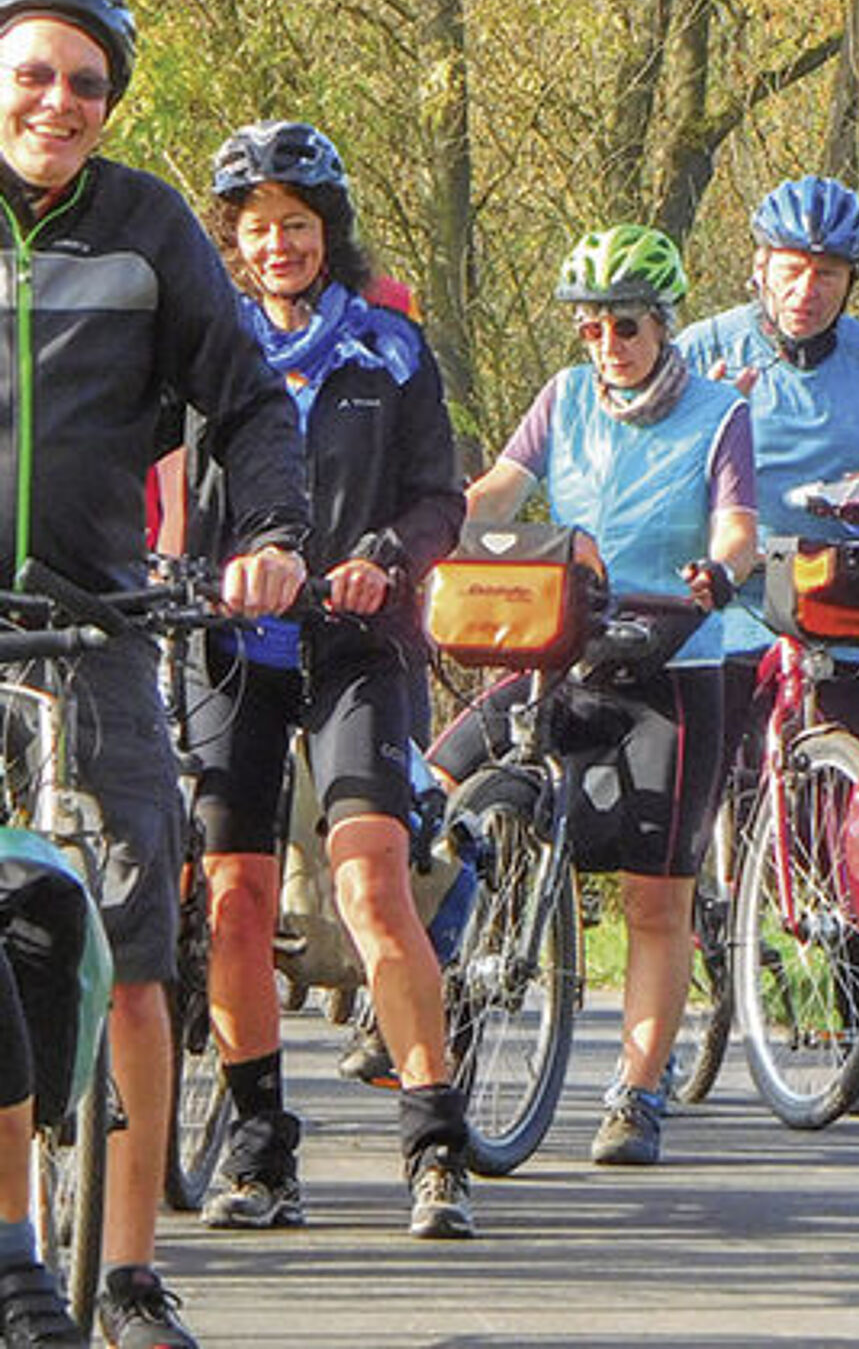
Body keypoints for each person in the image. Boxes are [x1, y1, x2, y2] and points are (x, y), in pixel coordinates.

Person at [0, 0, 310, 1349]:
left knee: (135, 955)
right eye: (33, 72)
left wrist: (277, 536)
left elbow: (246, 405)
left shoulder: (151, 229)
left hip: (104, 630)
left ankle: (126, 1270)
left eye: (84, 82)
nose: (57, 101)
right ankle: (13, 1254)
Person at [187, 119, 474, 1239]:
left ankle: (432, 1142)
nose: (275, 246)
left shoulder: (390, 347)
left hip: (358, 648)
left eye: (295, 226)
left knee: (368, 884)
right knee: (235, 903)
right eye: (255, 228)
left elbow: (437, 494)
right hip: (233, 650)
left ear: (328, 231)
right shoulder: (207, 346)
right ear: (234, 239)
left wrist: (382, 561)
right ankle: (259, 1150)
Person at [450, 223, 757, 1165]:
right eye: (589, 328)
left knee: (652, 898)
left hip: (673, 661)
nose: (607, 346)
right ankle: (426, 984)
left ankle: (635, 1091)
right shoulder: (563, 398)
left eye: (624, 325)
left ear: (662, 324)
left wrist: (717, 570)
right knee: (437, 782)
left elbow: (739, 525)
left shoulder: (715, 414)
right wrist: (428, 522)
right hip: (566, 642)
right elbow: (501, 487)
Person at [677, 173, 859, 1120]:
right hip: (723, 605)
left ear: (849, 280)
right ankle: (683, 1018)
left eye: (827, 273)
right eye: (792, 270)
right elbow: (655, 457)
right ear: (760, 268)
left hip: (832, 602)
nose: (807, 289)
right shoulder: (702, 350)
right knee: (696, 797)